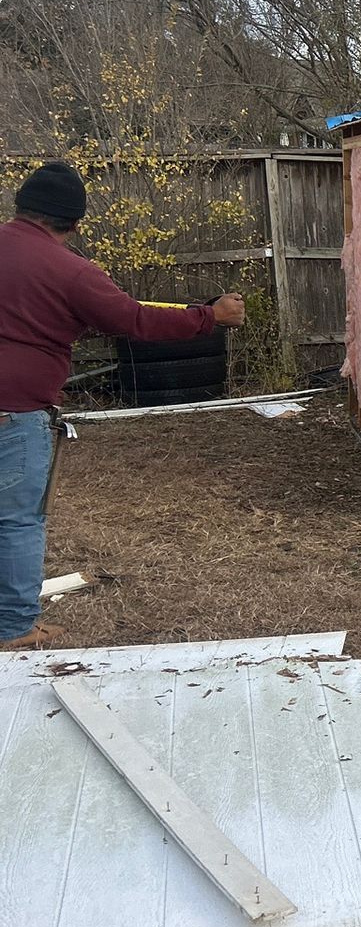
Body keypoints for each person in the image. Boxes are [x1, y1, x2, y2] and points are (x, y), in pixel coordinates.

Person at [0, 162, 246, 649]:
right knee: (16, 520)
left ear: (21, 205)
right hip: (14, 414)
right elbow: (133, 320)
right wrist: (210, 317)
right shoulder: (69, 271)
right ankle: (13, 629)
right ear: (75, 222)